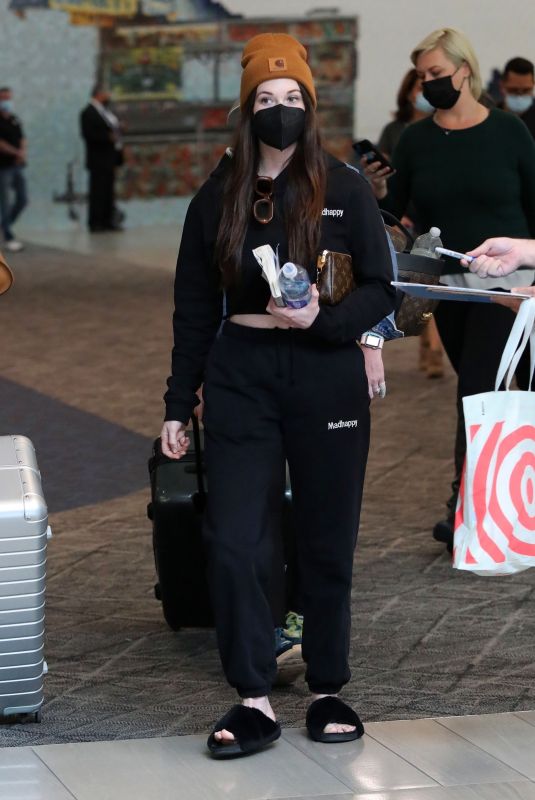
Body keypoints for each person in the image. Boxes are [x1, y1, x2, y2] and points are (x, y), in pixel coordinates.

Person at [160, 32, 395, 758]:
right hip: (242, 374)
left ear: (310, 108)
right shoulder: (219, 194)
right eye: (267, 99)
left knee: (326, 538)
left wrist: (327, 322)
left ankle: (326, 685)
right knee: (234, 540)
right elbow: (194, 307)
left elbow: (384, 289)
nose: (281, 110)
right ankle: (253, 696)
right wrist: (176, 401)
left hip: (323, 372)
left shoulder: (344, 186)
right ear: (246, 109)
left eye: (293, 99)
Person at [364, 27, 535, 552]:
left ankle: (468, 502)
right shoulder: (415, 140)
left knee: (479, 386)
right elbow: (408, 217)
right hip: (449, 283)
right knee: (478, 388)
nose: (428, 82)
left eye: (436, 72)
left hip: (510, 280)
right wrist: (376, 194)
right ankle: (491, 498)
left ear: (465, 70)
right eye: (422, 75)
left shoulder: (509, 132)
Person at [376, 68, 444, 379]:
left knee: (431, 283)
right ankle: (428, 343)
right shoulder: (395, 130)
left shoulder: (439, 129)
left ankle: (433, 347)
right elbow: (388, 173)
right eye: (419, 85)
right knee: (417, 284)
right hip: (403, 217)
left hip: (431, 216)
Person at [80, 85, 124, 233]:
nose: (108, 96)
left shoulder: (105, 112)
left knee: (108, 191)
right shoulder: (88, 113)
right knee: (97, 191)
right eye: (106, 93)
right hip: (98, 159)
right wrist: (107, 137)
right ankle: (96, 222)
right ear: (99, 95)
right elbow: (89, 134)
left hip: (109, 158)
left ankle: (107, 220)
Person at [0, 87, 28, 253]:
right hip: (2, 167)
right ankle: (8, 236)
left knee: (22, 199)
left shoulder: (14, 120)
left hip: (17, 165)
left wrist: (22, 153)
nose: (7, 102)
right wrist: (16, 152)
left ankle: (4, 226)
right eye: (3, 98)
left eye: (9, 98)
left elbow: (22, 138)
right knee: (5, 201)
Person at [499, 57, 535, 139]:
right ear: (502, 85)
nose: (520, 96)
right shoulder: (489, 117)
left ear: (533, 85)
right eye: (513, 90)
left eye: (526, 90)